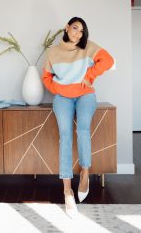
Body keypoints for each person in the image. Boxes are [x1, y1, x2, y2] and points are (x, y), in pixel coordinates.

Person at [41, 16, 114, 218]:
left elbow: (107, 60)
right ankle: (67, 190)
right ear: (66, 28)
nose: (77, 33)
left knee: (83, 129)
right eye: (75, 28)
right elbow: (46, 77)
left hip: (85, 95)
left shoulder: (87, 47)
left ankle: (85, 173)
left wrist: (89, 77)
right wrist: (59, 88)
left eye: (81, 31)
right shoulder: (53, 52)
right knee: (65, 135)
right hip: (63, 97)